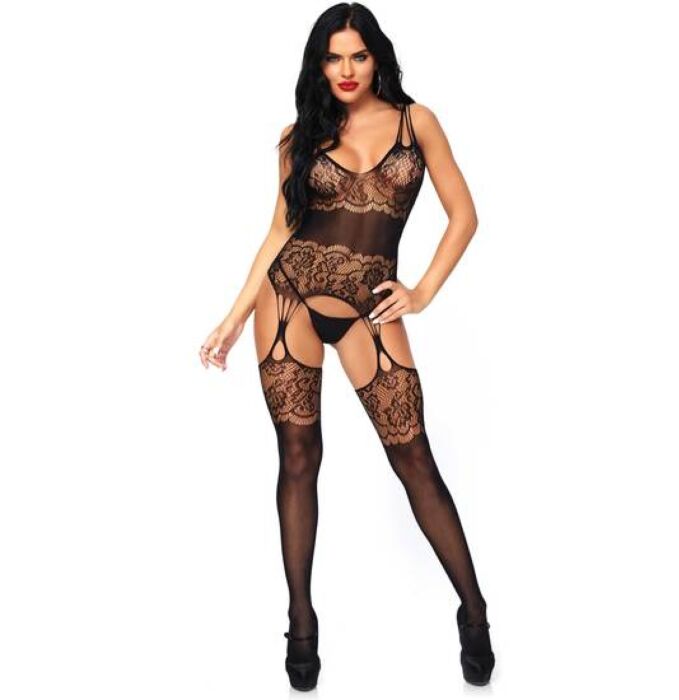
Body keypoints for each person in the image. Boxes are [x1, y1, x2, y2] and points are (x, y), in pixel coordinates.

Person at [199, 3, 495, 690]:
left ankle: (475, 612)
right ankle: (301, 622)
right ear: (318, 65)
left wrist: (420, 292)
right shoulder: (298, 137)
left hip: (370, 307)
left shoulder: (416, 123)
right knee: (298, 458)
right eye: (333, 58)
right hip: (289, 300)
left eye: (357, 55)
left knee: (414, 458)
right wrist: (234, 317)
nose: (346, 70)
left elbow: (464, 215)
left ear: (376, 57)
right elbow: (280, 232)